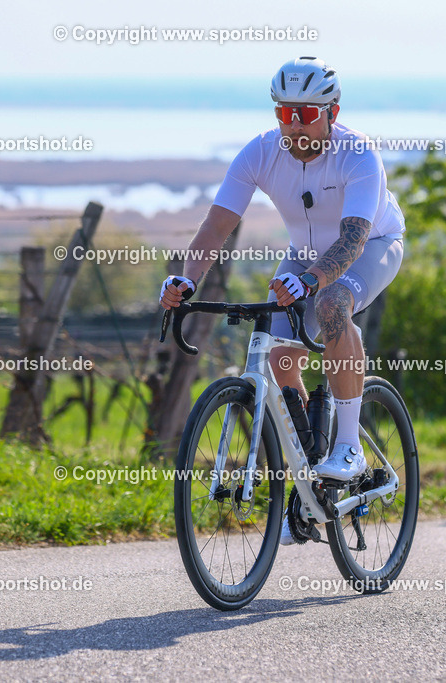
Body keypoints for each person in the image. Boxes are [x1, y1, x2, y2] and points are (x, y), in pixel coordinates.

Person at [158, 56, 406, 545]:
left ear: (332, 113)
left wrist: (311, 281)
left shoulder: (359, 155)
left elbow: (354, 238)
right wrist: (187, 281)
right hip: (306, 255)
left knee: (334, 305)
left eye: (306, 115)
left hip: (372, 247)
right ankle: (310, 465)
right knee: (278, 352)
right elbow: (216, 227)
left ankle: (350, 446)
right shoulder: (260, 153)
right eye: (285, 113)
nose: (294, 125)